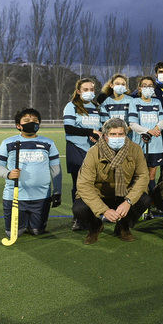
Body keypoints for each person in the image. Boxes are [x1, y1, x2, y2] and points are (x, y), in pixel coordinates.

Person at [72, 118, 152, 244]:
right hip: (100, 194)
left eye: (121, 134)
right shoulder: (93, 152)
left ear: (126, 135)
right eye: (113, 134)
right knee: (79, 208)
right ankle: (95, 226)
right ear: (105, 136)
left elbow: (143, 176)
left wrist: (128, 201)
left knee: (145, 200)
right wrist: (103, 210)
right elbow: (84, 184)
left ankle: (123, 227)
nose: (117, 137)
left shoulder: (135, 149)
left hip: (124, 193)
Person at [0, 108, 62, 237]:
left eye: (35, 120)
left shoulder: (48, 143)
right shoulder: (8, 142)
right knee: (13, 233)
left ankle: (34, 224)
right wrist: (8, 174)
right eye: (27, 120)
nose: (32, 122)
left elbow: (55, 169)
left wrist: (57, 191)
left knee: (37, 232)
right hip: (15, 197)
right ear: (19, 125)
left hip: (41, 198)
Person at [63, 78, 102, 229]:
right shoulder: (71, 106)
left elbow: (100, 128)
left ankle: (93, 215)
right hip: (76, 149)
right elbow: (69, 129)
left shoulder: (96, 106)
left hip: (94, 150)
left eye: (91, 89)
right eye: (85, 90)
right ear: (78, 91)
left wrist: (97, 134)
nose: (89, 92)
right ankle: (78, 218)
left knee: (94, 184)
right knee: (79, 185)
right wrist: (89, 132)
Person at [128, 76, 163, 194]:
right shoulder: (134, 102)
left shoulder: (157, 102)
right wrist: (148, 131)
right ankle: (138, 200)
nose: (147, 88)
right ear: (139, 88)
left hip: (155, 144)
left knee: (152, 174)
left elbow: (162, 121)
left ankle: (151, 202)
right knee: (139, 174)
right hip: (139, 144)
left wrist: (156, 129)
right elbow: (133, 124)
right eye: (145, 86)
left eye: (150, 86)